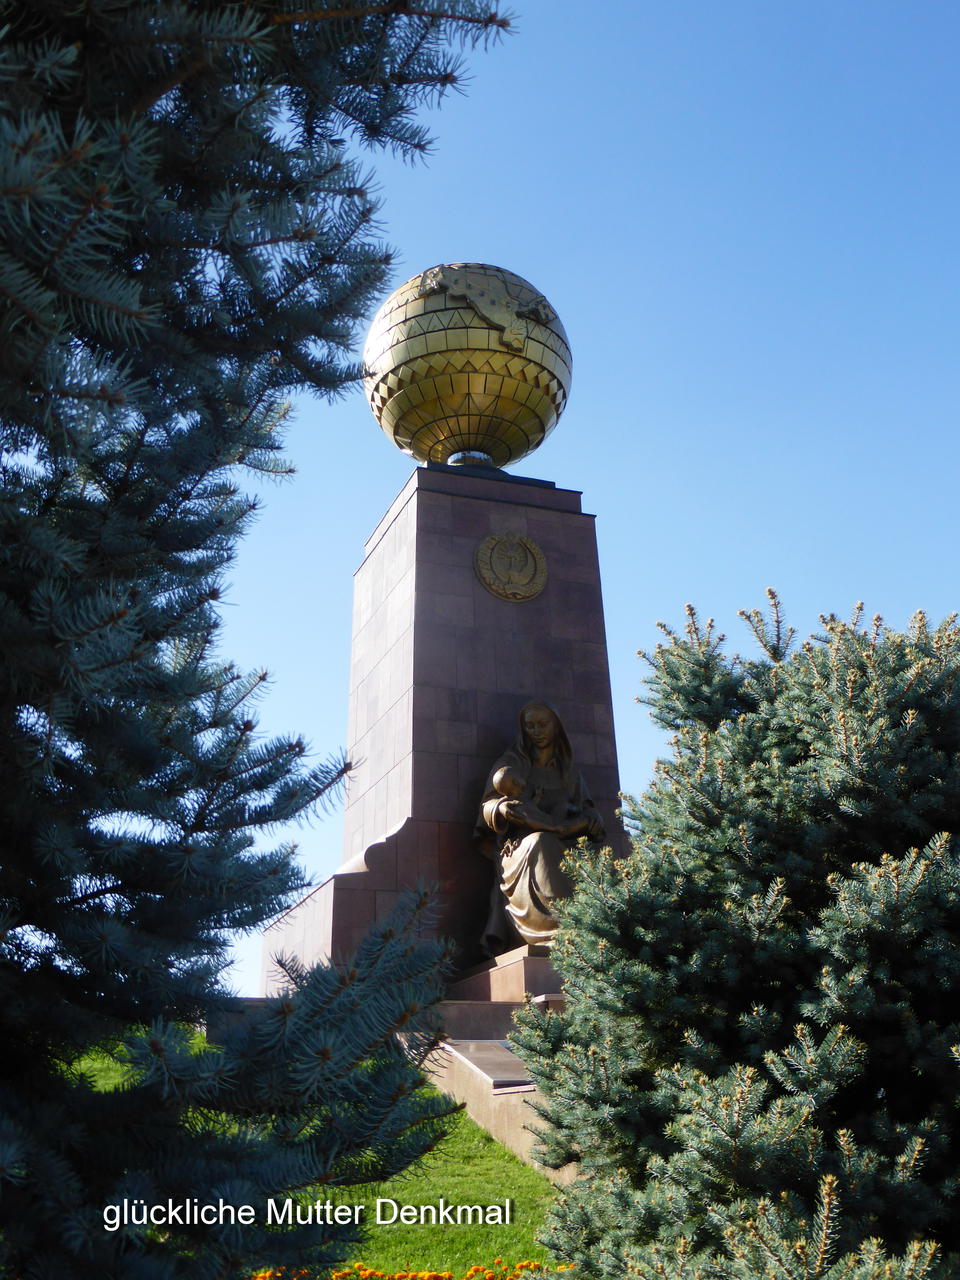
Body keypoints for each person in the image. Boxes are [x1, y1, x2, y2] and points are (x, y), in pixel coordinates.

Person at [477, 701, 604, 952]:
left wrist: (591, 820)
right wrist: (500, 808)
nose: (536, 731)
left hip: (568, 839)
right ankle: (559, 930)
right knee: (541, 842)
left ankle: (595, 931)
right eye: (530, 726)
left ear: (556, 727)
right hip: (519, 846)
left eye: (543, 724)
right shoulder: (511, 763)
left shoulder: (568, 772)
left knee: (593, 856)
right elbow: (488, 804)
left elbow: (588, 810)